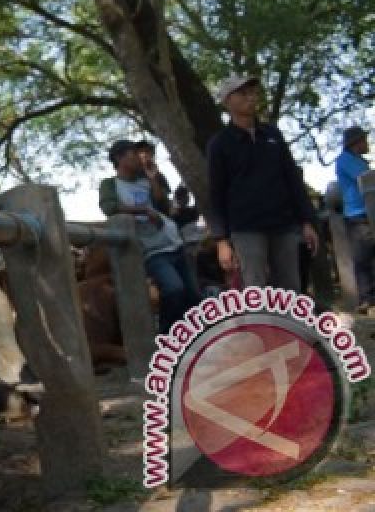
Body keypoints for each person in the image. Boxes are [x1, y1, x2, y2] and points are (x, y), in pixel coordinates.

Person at [206, 76, 319, 291]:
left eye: (252, 92)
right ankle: (258, 326)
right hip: (246, 228)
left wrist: (306, 220)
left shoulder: (273, 135)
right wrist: (221, 240)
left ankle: (290, 325)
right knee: (255, 289)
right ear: (227, 101)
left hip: (283, 224)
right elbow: (216, 194)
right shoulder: (219, 144)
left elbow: (292, 179)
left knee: (290, 289)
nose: (250, 97)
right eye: (242, 93)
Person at [99, 139, 200, 332]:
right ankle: (166, 334)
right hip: (152, 250)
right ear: (119, 158)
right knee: (173, 288)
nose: (139, 158)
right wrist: (143, 210)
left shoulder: (145, 180)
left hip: (173, 241)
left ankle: (192, 336)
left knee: (193, 295)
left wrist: (153, 177)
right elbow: (109, 207)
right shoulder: (110, 185)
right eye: (133, 154)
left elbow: (162, 205)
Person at [336, 125, 373, 309]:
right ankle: (367, 298)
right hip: (358, 214)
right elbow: (365, 178)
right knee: (363, 257)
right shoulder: (345, 160)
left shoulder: (360, 160)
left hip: (369, 212)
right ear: (356, 143)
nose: (367, 144)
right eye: (364, 140)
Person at [134, 140, 172, 215]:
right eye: (142, 152)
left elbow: (162, 199)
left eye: (149, 152)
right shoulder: (133, 175)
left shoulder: (159, 175)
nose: (146, 155)